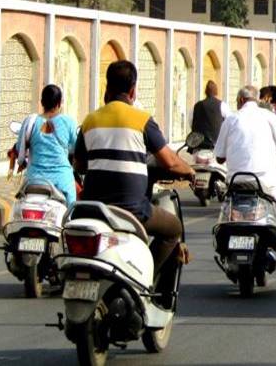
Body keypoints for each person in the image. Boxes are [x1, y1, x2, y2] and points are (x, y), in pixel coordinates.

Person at [76, 61, 195, 276]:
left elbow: (79, 164)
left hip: (93, 207)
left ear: (107, 87)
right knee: (174, 229)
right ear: (133, 90)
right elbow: (170, 161)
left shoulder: (89, 121)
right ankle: (147, 278)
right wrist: (189, 171)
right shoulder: (142, 120)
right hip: (132, 210)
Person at [215, 85, 276, 234]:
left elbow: (219, 158)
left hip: (235, 180)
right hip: (264, 180)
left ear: (241, 100)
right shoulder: (269, 116)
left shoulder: (230, 119)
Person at [9, 85, 78, 205]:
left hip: (34, 181)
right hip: (62, 182)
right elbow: (77, 149)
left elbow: (20, 149)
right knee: (72, 210)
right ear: (59, 104)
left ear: (42, 102)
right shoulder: (69, 122)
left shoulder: (30, 122)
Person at [190, 80, 229, 146]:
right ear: (216, 91)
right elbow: (229, 122)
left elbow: (191, 122)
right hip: (215, 144)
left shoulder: (197, 105)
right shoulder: (222, 105)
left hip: (199, 144)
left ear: (205, 91)